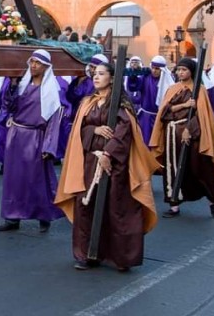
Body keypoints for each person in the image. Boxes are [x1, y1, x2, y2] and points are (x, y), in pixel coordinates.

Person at [55, 61, 159, 271]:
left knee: (116, 208)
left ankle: (122, 258)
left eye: (101, 74)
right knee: (87, 207)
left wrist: (108, 155)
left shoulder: (120, 105)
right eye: (95, 73)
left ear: (112, 78)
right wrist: (94, 130)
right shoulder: (88, 102)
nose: (96, 77)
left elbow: (124, 131)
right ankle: (88, 254)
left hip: (114, 166)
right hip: (90, 161)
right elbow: (78, 130)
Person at [0, 49, 64, 234]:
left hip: (36, 138)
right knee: (13, 179)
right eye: (31, 62)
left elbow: (54, 121)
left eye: (37, 62)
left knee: (37, 180)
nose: (33, 65)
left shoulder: (50, 91)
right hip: (16, 136)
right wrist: (12, 86)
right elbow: (8, 106)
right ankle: (12, 217)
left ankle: (43, 215)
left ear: (46, 66)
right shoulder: (22, 86)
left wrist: (49, 146)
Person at [149, 58, 214, 219]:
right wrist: (184, 106)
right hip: (171, 134)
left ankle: (212, 202)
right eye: (178, 70)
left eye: (183, 70)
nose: (180, 73)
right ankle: (174, 204)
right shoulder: (172, 89)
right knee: (172, 168)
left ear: (191, 71)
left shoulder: (200, 90)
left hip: (193, 136)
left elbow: (203, 116)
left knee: (199, 167)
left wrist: (188, 130)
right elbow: (165, 112)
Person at [134, 55, 174, 145]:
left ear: (162, 70)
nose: (154, 71)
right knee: (145, 141)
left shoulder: (168, 82)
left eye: (157, 69)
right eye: (153, 68)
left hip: (161, 117)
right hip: (146, 118)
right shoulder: (145, 78)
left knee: (159, 142)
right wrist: (133, 77)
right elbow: (135, 85)